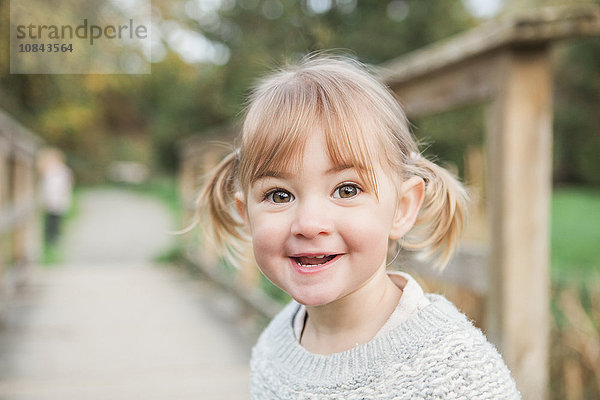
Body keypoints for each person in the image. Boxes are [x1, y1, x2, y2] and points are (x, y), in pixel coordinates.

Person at [196, 54, 520, 399]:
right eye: (279, 195)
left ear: (402, 208)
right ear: (247, 215)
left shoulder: (456, 369)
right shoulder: (273, 348)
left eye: (346, 190)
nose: (309, 224)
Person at [38, 148, 73, 247]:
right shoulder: (51, 171)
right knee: (51, 220)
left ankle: (53, 239)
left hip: (57, 200)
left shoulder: (59, 171)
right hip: (51, 200)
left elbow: (63, 186)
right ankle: (51, 239)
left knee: (55, 220)